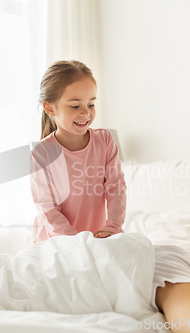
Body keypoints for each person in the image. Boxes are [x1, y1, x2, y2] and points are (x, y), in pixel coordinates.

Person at [30, 60, 126, 244]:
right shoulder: (42, 153)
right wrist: (76, 242)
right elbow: (47, 208)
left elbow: (116, 189)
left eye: (91, 104)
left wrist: (112, 227)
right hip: (55, 243)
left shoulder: (105, 141)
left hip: (97, 240)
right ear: (50, 108)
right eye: (75, 106)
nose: (86, 113)